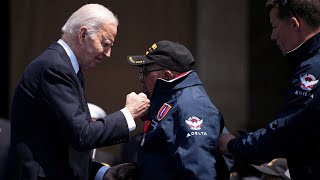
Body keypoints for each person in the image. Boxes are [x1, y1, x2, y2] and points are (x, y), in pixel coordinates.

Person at [6, 3, 150, 180]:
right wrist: (128, 114)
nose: (108, 54)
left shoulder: (68, 68)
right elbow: (82, 135)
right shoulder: (54, 67)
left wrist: (101, 172)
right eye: (105, 44)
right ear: (83, 34)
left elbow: (63, 143)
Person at [219, 0, 320, 179]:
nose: (272, 36)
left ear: (294, 23)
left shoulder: (313, 70)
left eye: (274, 27)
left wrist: (233, 145)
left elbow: (286, 133)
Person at [127, 40, 230, 180]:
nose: (141, 79)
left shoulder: (190, 106)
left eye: (145, 71)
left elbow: (199, 170)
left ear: (167, 76)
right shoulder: (173, 101)